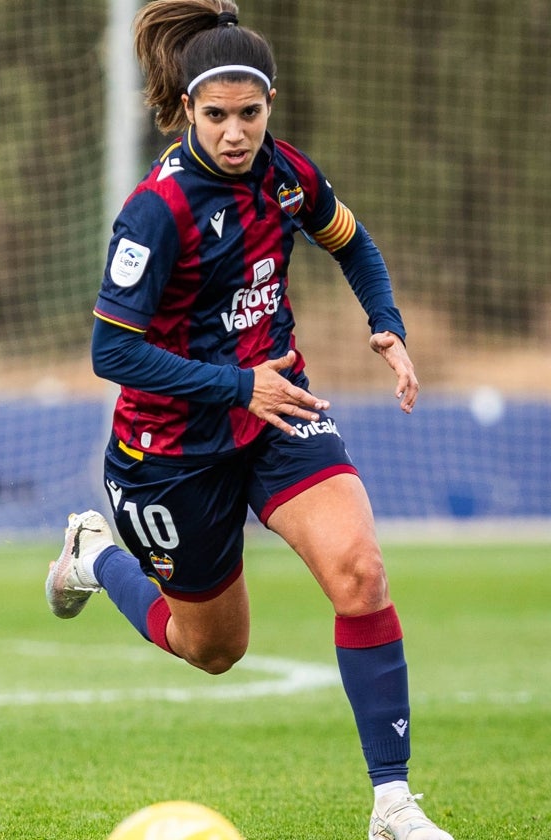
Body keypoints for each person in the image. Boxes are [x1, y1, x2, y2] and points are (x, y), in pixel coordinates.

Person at [44, 2, 453, 839]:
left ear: (271, 105)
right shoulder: (156, 212)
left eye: (251, 114)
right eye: (218, 116)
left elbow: (353, 241)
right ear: (188, 110)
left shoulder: (288, 174)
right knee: (212, 650)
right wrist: (238, 387)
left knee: (361, 572)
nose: (236, 133)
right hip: (169, 448)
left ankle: (393, 806)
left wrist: (386, 322)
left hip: (280, 412)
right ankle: (92, 556)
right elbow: (110, 354)